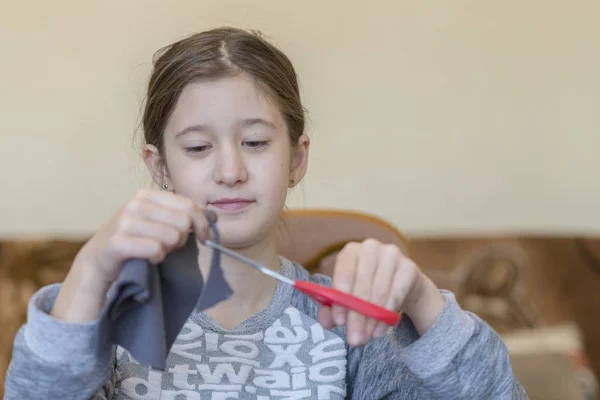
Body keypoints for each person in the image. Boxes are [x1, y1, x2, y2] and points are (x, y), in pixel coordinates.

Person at [4, 27, 527, 399]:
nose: (230, 171)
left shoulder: (351, 332)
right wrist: (92, 268)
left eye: (254, 141)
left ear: (296, 159)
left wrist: (420, 299)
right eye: (198, 148)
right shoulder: (112, 324)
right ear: (159, 166)